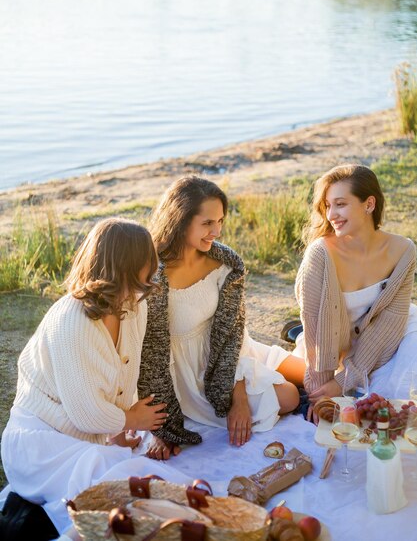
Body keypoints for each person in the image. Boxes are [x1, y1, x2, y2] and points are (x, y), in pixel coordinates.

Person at [0, 218, 173, 538]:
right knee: (118, 481)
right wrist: (132, 417)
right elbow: (85, 412)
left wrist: (121, 434)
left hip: (88, 437)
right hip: (40, 443)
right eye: (145, 265)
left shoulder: (133, 306)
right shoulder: (72, 319)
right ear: (122, 267)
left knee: (135, 477)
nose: (151, 274)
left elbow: (127, 376)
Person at [137, 176, 303, 461]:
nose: (216, 231)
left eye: (220, 221)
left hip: (226, 356)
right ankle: (294, 341)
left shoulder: (226, 263)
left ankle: (298, 339)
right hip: (180, 372)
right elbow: (145, 355)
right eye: (207, 223)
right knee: (290, 395)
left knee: (301, 387)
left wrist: (237, 396)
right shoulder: (151, 269)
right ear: (180, 220)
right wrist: (159, 428)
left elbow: (233, 333)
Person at [293, 164, 417, 403]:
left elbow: (389, 323)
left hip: (389, 337)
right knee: (358, 402)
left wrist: (344, 381)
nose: (331, 215)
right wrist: (322, 389)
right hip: (335, 343)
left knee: (400, 392)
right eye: (328, 206)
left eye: (340, 204)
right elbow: (316, 327)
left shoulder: (403, 251)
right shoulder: (321, 254)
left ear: (369, 204)